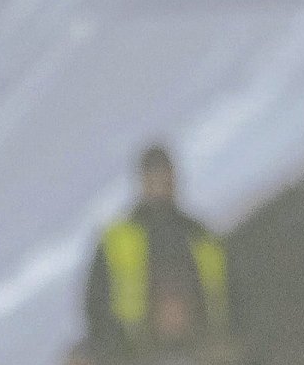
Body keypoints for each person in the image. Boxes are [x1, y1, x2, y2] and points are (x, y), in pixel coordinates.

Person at [83, 145, 227, 352]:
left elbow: (226, 298)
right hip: (138, 355)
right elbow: (95, 306)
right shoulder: (116, 240)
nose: (161, 184)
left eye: (165, 176)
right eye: (153, 176)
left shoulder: (201, 238)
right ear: (142, 180)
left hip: (202, 350)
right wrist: (117, 352)